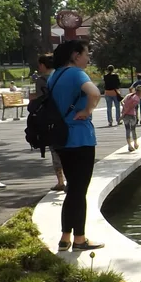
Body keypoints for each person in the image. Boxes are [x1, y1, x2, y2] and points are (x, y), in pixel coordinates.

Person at [48, 40, 104, 251]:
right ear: (75, 55)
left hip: (61, 138)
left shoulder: (55, 75)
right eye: (86, 53)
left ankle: (65, 237)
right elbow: (95, 93)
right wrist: (88, 111)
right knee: (79, 191)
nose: (88, 58)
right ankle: (79, 239)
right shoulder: (76, 74)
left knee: (72, 189)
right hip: (80, 138)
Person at [34, 54, 68, 192]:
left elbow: (39, 100)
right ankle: (70, 178)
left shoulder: (41, 81)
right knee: (67, 149)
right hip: (65, 116)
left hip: (50, 119)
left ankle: (61, 181)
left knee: (55, 150)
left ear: (42, 65)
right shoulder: (61, 77)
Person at [121, 85, 141, 151]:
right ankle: (135, 143)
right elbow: (131, 107)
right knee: (133, 130)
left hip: (125, 115)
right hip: (132, 115)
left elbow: (122, 102)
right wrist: (122, 115)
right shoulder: (137, 99)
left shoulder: (129, 95)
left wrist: (124, 109)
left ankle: (129, 145)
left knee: (127, 130)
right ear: (140, 93)